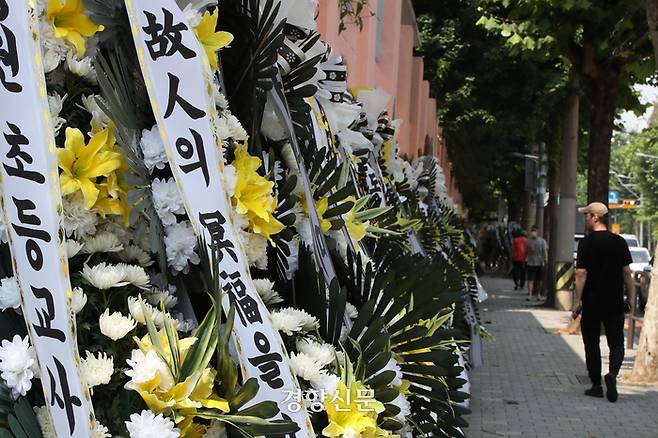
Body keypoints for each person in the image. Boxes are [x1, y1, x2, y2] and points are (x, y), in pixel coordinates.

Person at [572, 202, 634, 403]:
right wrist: (631, 297)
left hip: (591, 301)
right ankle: (613, 374)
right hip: (614, 301)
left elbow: (581, 274)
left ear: (595, 217)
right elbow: (627, 273)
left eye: (587, 216)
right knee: (617, 343)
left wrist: (577, 301)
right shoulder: (620, 242)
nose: (585, 219)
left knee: (591, 343)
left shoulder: (586, 243)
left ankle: (596, 386)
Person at [524, 226, 548, 301]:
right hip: (530, 263)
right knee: (530, 279)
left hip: (540, 263)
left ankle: (538, 294)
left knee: (539, 280)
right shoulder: (528, 241)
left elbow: (545, 252)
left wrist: (546, 260)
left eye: (535, 231)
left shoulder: (542, 241)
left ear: (538, 232)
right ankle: (530, 294)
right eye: (532, 231)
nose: (533, 232)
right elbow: (526, 252)